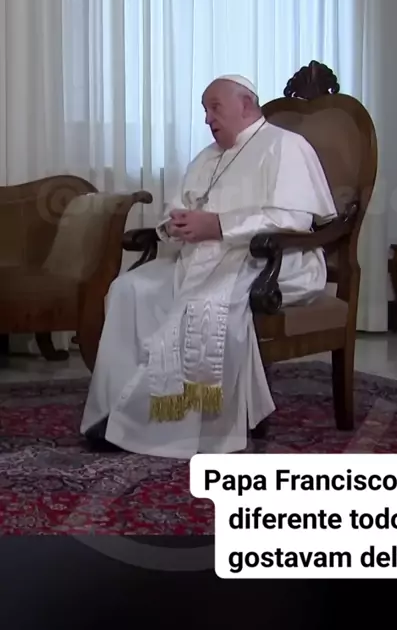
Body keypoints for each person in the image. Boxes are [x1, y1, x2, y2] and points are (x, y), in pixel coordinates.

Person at [81, 74, 337, 458]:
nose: (207, 118)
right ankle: (115, 408)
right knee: (128, 290)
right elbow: (179, 206)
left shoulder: (285, 145)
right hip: (204, 258)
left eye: (214, 107)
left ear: (246, 104)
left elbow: (294, 220)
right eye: (204, 110)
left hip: (273, 261)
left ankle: (174, 425)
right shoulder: (207, 156)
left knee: (206, 304)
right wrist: (175, 225)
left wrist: (218, 226)